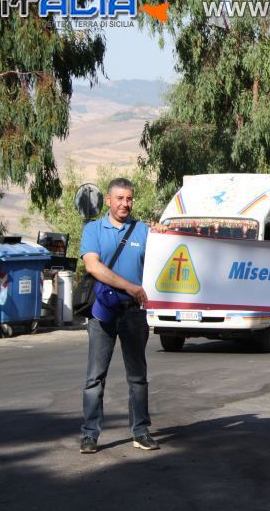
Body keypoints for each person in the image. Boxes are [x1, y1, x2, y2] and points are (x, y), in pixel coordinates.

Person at [79, 178, 164, 454]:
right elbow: (93, 266)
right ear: (108, 200)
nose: (125, 204)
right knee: (95, 377)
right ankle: (90, 434)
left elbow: (168, 255)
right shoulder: (93, 230)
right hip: (102, 312)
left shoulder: (143, 231)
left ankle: (140, 431)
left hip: (133, 314)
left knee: (138, 377)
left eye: (129, 199)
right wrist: (129, 286)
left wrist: (164, 233)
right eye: (120, 198)